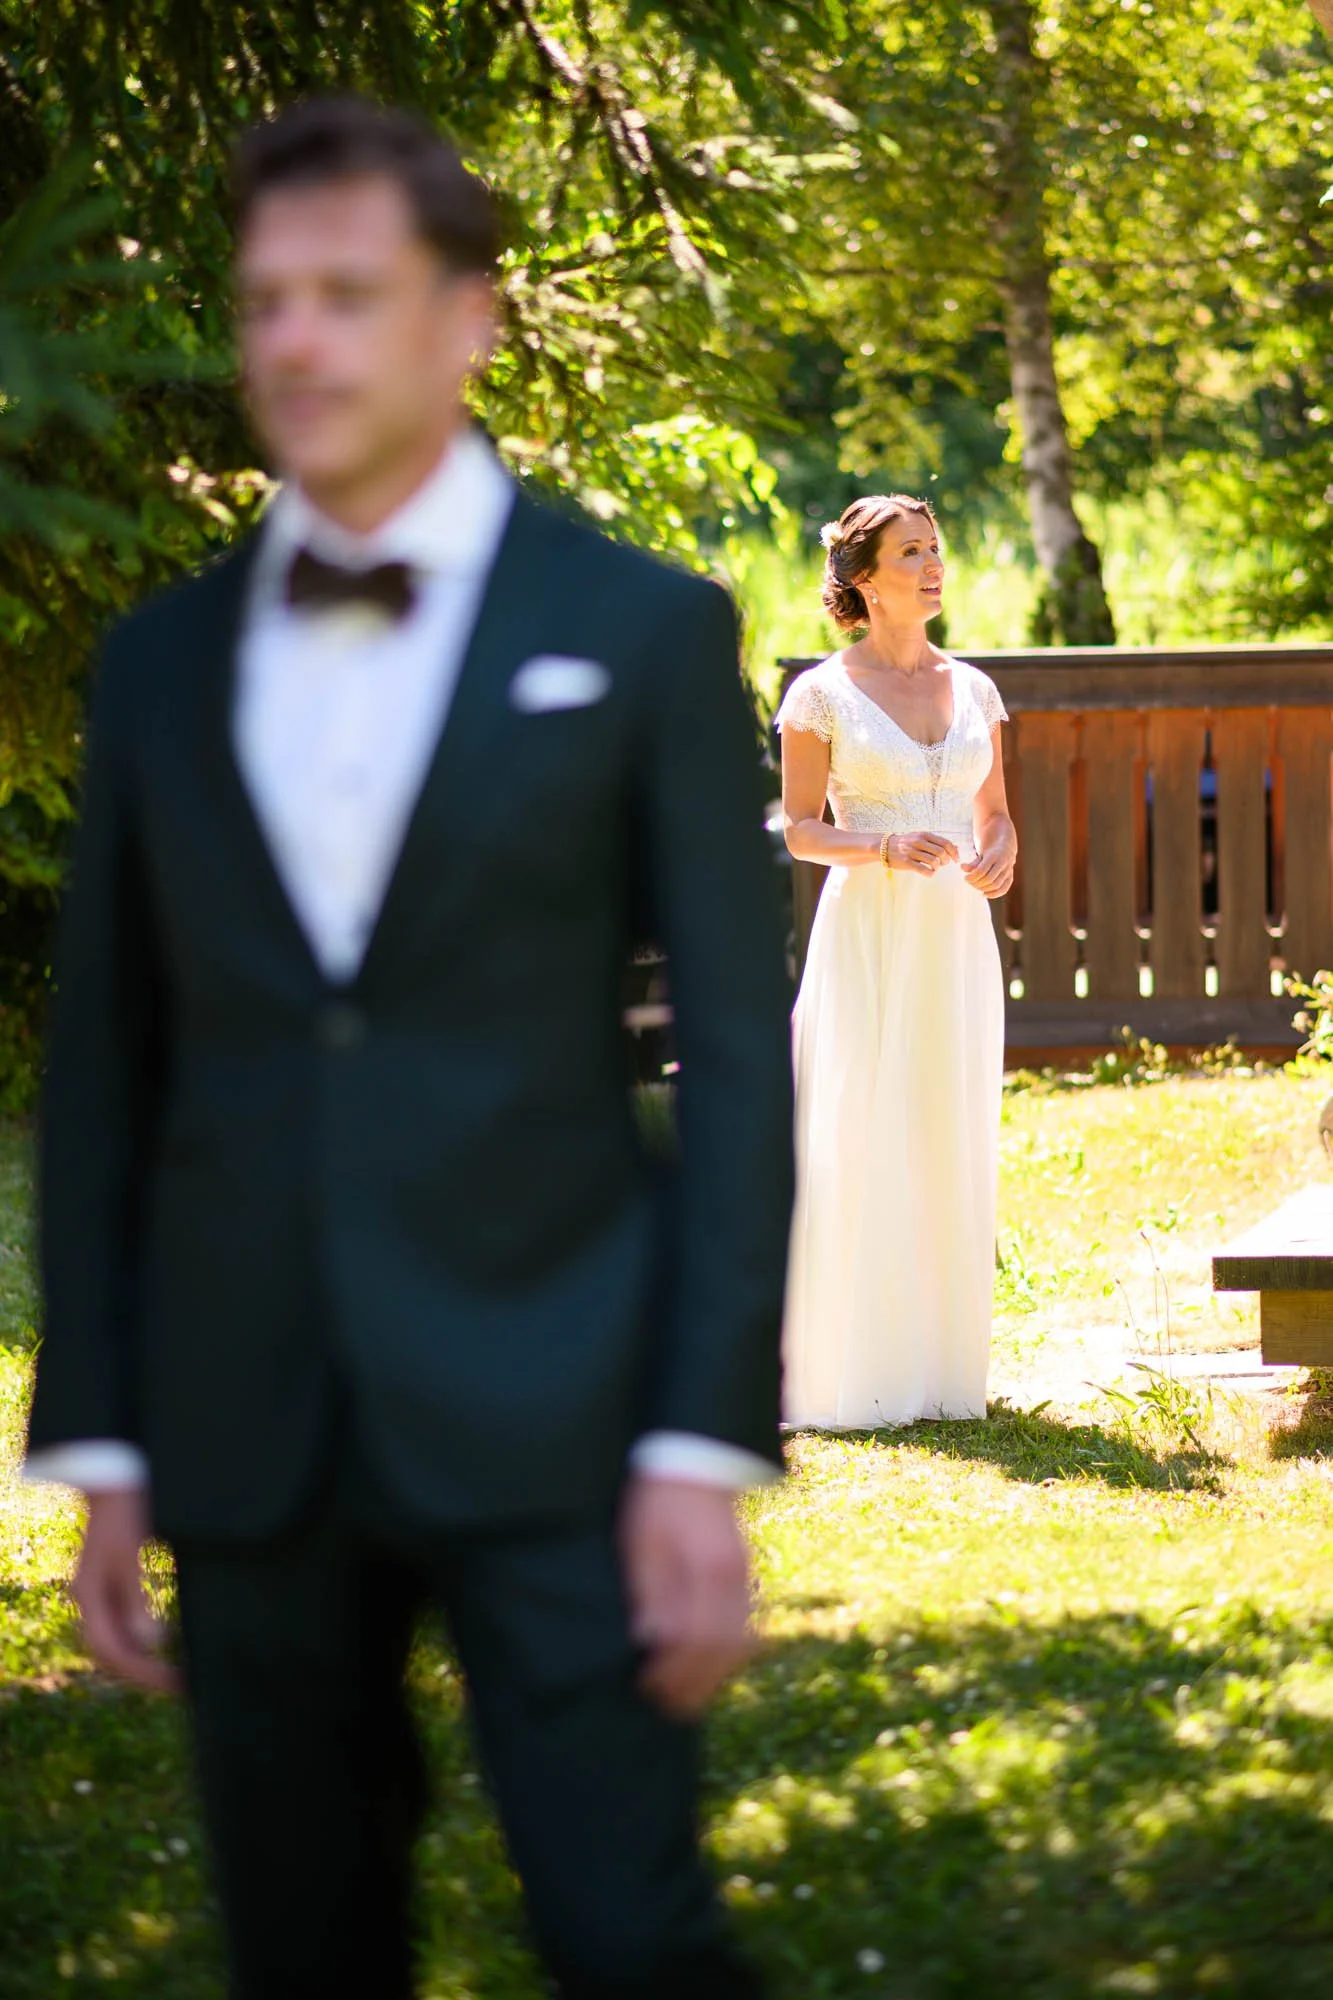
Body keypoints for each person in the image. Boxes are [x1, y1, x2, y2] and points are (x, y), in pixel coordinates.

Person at [24, 97, 794, 2000]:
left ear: (471, 320)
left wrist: (701, 1442)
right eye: (264, 300)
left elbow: (736, 1055)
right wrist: (106, 1440)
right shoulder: (159, 665)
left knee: (629, 1935)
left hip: (565, 1408)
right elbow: (109, 1069)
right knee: (304, 1945)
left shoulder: (639, 631)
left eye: (345, 295)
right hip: (247, 1422)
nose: (290, 340)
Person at [776, 494, 1015, 1429]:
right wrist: (876, 847)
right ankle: (855, 1368)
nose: (931, 564)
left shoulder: (976, 689)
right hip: (868, 933)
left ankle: (943, 1370)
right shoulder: (821, 695)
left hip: (954, 935)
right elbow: (797, 829)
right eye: (910, 552)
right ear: (863, 578)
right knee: (862, 1127)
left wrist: (997, 850)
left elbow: (991, 809)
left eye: (936, 548)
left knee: (944, 1126)